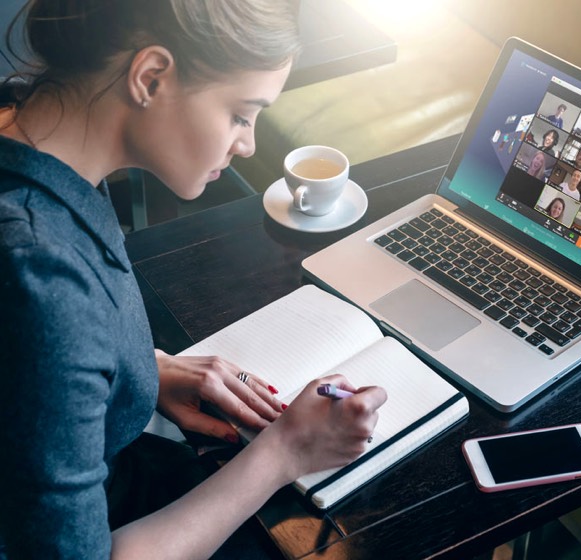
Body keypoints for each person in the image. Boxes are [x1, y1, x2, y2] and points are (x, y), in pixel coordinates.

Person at [0, 2, 387, 559]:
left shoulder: (27, 123)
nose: (249, 144)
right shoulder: (40, 276)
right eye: (240, 113)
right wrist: (286, 452)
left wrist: (135, 371)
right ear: (150, 76)